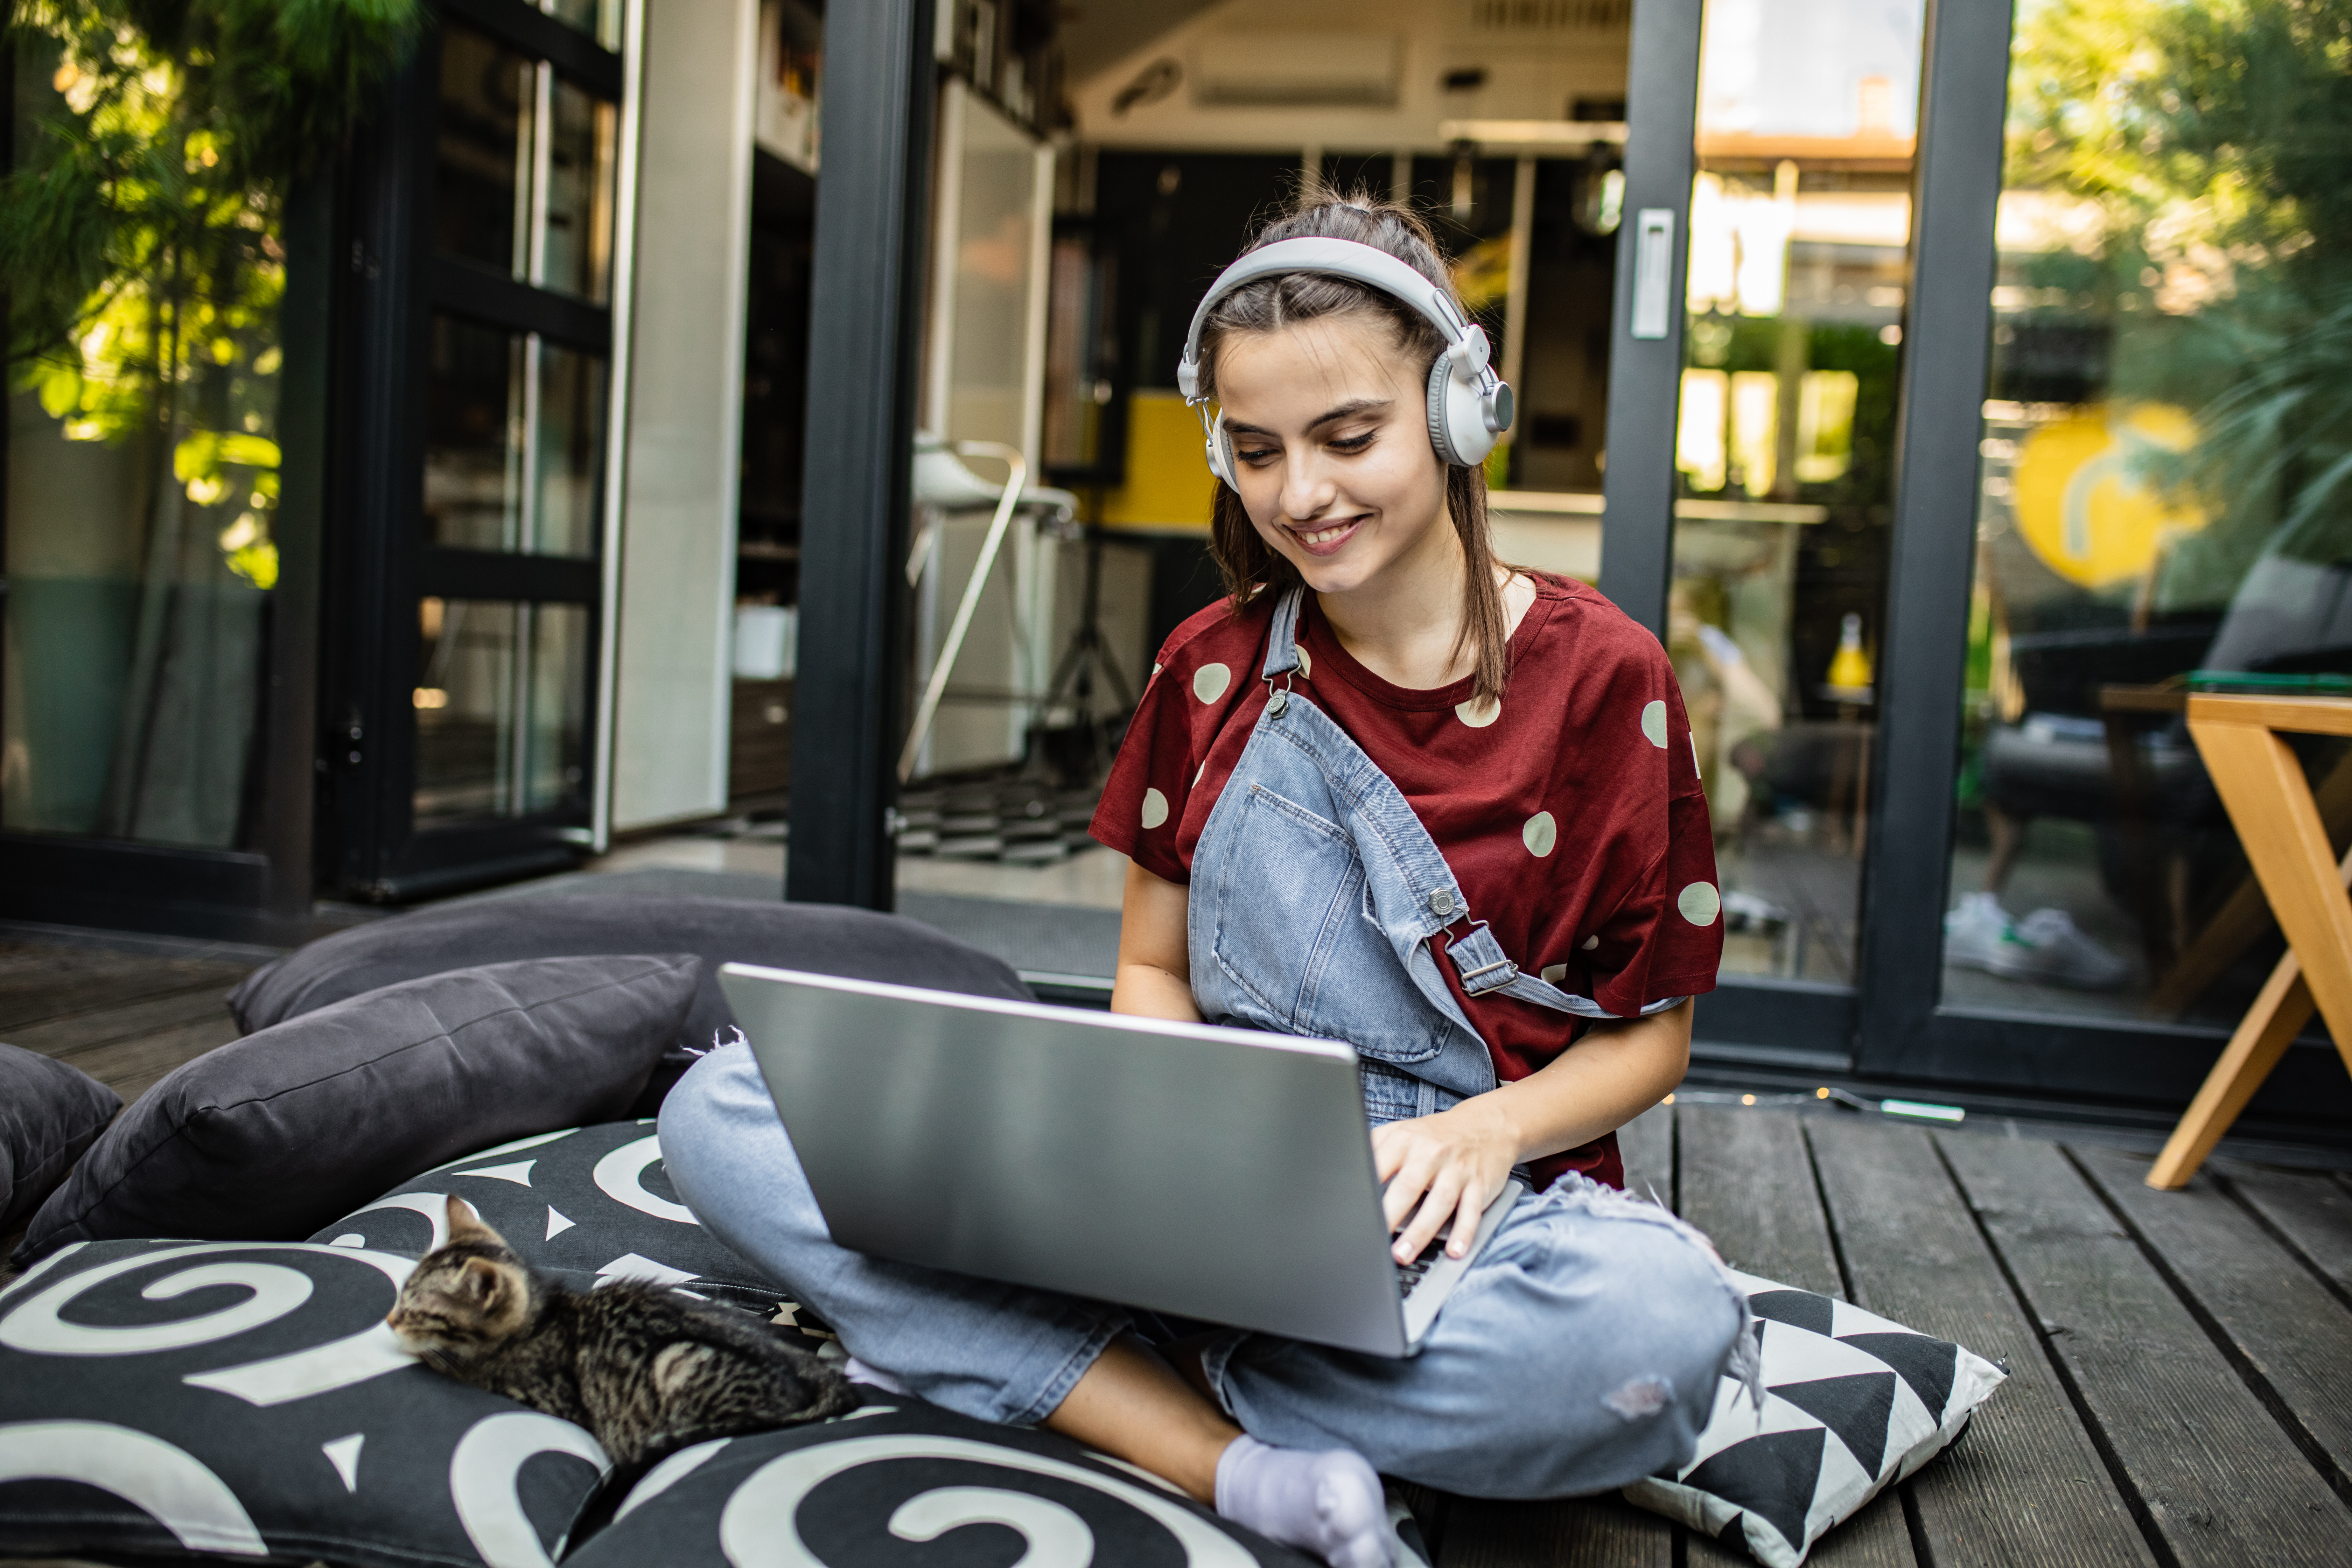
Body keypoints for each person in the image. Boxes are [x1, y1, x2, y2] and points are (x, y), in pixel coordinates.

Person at [660, 194, 1750, 1568]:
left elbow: (1651, 1038)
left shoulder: (1609, 678)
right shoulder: (1208, 667)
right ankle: (1235, 1464)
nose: (1302, 493)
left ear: (1461, 410)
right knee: (723, 1108)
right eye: (1257, 450)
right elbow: (1154, 971)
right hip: (1198, 1172)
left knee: (1656, 1343)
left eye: (1350, 437)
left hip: (1480, 1210)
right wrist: (1168, 1153)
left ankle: (1042, 1360)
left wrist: (1481, 1138)